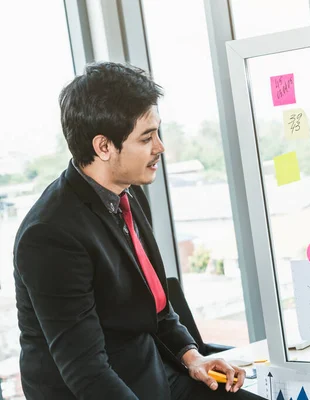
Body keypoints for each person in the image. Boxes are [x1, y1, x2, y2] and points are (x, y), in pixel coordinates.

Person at [13, 62, 263, 400]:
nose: (160, 147)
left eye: (158, 133)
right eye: (147, 138)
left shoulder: (128, 192)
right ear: (103, 147)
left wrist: (193, 357)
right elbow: (86, 372)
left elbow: (155, 309)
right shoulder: (50, 236)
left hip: (146, 370)